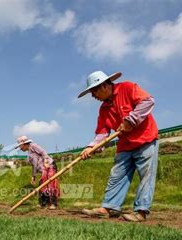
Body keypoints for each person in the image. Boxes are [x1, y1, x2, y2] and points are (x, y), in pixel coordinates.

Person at [78, 71, 158, 222]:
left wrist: (131, 120)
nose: (93, 95)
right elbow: (102, 133)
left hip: (145, 139)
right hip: (124, 144)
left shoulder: (127, 88)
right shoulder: (103, 109)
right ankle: (109, 207)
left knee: (146, 177)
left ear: (104, 85)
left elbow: (148, 101)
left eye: (94, 91)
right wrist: (91, 147)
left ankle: (140, 212)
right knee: (117, 176)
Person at [15, 136, 60, 210]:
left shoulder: (33, 145)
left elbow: (43, 152)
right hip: (43, 169)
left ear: (24, 144)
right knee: (42, 185)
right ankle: (43, 203)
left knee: (51, 185)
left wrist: (46, 162)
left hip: (50, 166)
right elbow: (34, 165)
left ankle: (53, 203)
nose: (20, 148)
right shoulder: (29, 153)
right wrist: (33, 176)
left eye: (20, 146)